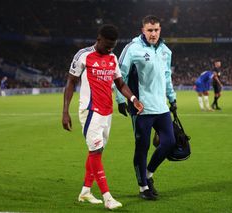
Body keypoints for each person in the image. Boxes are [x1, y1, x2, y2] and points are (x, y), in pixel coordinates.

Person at [62, 24, 144, 210]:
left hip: (107, 112)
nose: (109, 49)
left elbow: (121, 83)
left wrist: (133, 99)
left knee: (96, 151)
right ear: (98, 39)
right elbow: (70, 82)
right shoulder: (83, 55)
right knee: (96, 151)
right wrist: (65, 111)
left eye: (112, 46)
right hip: (90, 111)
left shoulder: (112, 58)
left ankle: (85, 191)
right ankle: (107, 198)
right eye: (106, 45)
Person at [115, 15, 177, 200]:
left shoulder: (165, 51)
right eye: (150, 30)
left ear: (160, 30)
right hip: (141, 108)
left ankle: (149, 174)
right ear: (143, 30)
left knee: (170, 143)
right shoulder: (132, 49)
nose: (153, 33)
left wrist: (172, 99)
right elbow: (119, 75)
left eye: (156, 30)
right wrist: (120, 100)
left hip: (162, 107)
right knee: (142, 148)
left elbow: (167, 77)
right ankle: (143, 187)